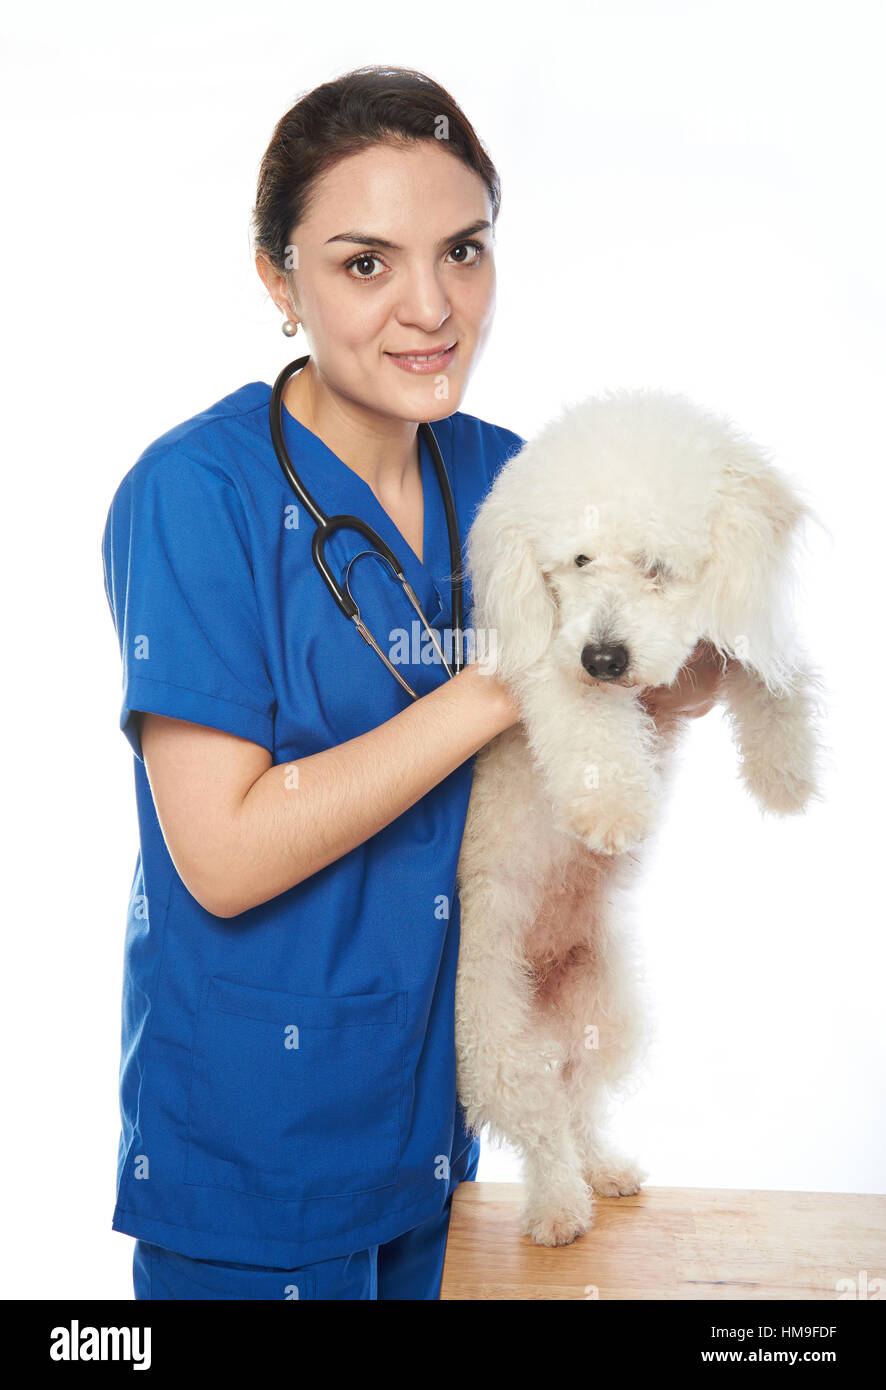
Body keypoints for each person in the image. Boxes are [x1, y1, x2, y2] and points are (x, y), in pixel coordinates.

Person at [101, 65, 725, 1301]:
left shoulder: (511, 477)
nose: (432, 307)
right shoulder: (196, 497)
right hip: (254, 1153)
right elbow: (219, 855)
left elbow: (662, 674)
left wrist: (676, 643)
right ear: (278, 280)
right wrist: (499, 688)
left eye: (464, 250)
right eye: (365, 263)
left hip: (439, 1137)